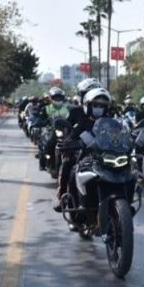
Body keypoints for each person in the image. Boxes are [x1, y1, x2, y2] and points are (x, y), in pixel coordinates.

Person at [55, 78, 102, 211]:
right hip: (79, 149)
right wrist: (68, 141)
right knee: (68, 167)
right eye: (87, 93)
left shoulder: (107, 111)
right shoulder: (75, 111)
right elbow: (67, 129)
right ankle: (64, 198)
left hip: (102, 149)